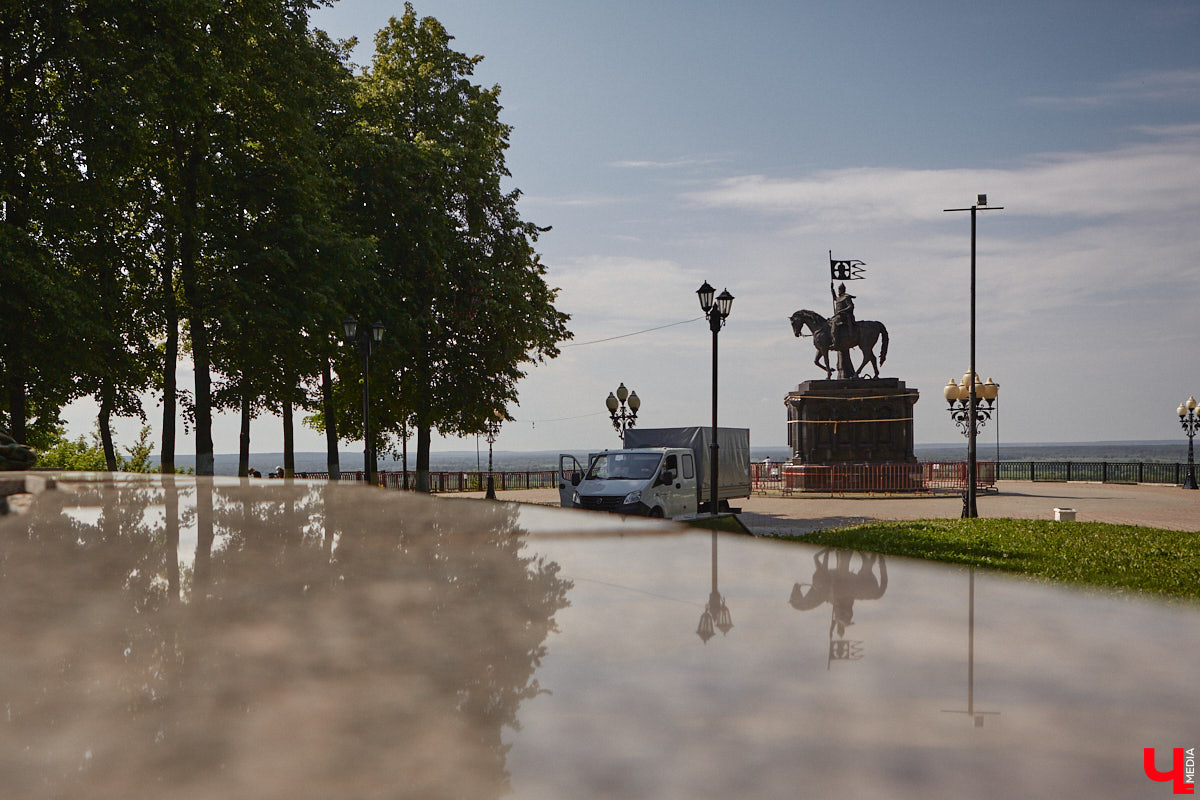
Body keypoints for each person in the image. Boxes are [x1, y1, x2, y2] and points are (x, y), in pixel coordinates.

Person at [830, 282, 857, 349]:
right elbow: (834, 297)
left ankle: (835, 342)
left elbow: (851, 306)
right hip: (838, 316)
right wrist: (832, 289)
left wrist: (841, 311)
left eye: (840, 289)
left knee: (834, 323)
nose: (839, 291)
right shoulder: (839, 298)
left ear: (843, 290)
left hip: (844, 316)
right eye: (838, 289)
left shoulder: (846, 297)